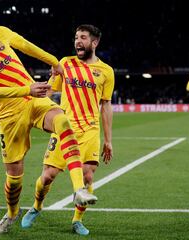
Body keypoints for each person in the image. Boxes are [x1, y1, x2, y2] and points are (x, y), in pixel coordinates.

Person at [0, 3, 97, 235]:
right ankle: (11, 213)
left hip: (33, 100)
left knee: (62, 121)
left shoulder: (0, 32)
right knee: (14, 176)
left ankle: (79, 188)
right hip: (9, 114)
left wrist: (55, 63)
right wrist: (27, 89)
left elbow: (29, 48)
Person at [21, 24, 114, 235]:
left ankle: (77, 220)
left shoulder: (106, 72)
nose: (77, 41)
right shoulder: (64, 63)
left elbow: (106, 105)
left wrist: (108, 140)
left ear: (94, 42)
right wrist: (32, 88)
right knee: (47, 176)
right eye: (76, 37)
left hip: (90, 130)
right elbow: (50, 91)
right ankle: (36, 207)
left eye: (82, 37)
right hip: (65, 128)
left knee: (87, 177)